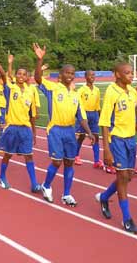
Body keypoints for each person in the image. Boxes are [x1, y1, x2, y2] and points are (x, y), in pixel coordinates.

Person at [33, 43, 94, 206]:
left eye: (72, 73)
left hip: (70, 131)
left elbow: (81, 116)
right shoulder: (53, 88)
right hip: (55, 130)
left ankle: (66, 194)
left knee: (69, 162)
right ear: (61, 74)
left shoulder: (76, 94)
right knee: (56, 162)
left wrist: (89, 132)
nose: (70, 75)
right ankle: (46, 186)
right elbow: (38, 78)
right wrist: (39, 60)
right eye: (67, 72)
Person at [94, 62, 137, 234]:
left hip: (131, 140)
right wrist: (106, 148)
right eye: (127, 73)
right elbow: (104, 122)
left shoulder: (132, 92)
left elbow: (136, 119)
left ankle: (104, 197)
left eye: (131, 73)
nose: (131, 75)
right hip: (116, 139)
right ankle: (127, 219)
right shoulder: (111, 92)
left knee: (127, 177)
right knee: (122, 176)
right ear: (117, 74)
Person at [0, 49, 41, 192]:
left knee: (29, 156)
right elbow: (3, 74)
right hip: (12, 128)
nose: (21, 76)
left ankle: (34, 184)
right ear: (15, 75)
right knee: (8, 155)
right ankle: (2, 176)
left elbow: (32, 115)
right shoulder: (11, 88)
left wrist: (34, 133)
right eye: (19, 73)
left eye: (24, 74)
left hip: (25, 128)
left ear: (27, 77)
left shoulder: (31, 91)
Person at [74, 70, 103, 169]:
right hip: (84, 115)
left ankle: (96, 160)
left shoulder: (97, 90)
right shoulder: (81, 90)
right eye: (90, 75)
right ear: (85, 77)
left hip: (94, 114)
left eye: (93, 75)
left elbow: (98, 104)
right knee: (81, 137)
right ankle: (76, 155)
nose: (92, 77)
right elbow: (77, 104)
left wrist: (100, 116)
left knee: (96, 137)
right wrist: (80, 116)